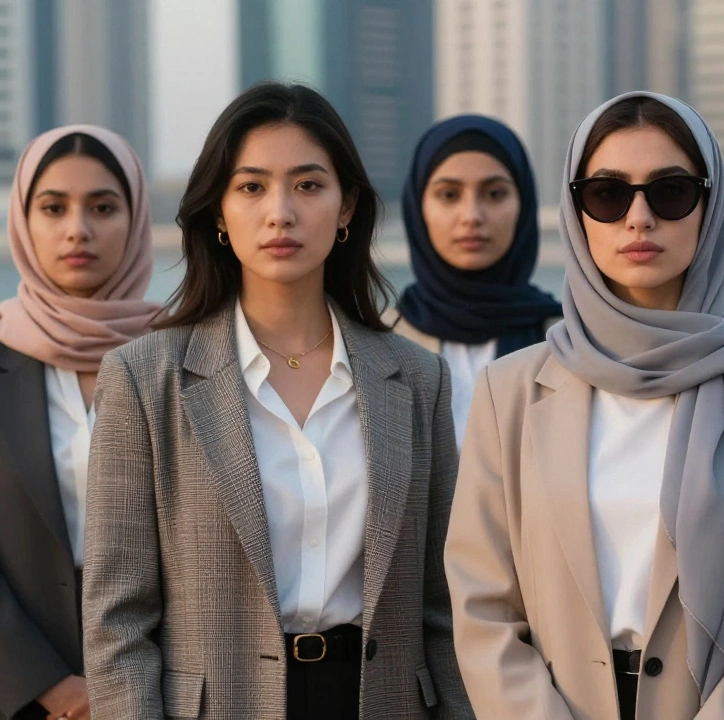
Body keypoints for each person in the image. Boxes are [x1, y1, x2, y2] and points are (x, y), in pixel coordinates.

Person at [444, 92, 724, 720]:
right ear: (575, 213)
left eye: (670, 191)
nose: (638, 218)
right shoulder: (510, 391)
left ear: (710, 207)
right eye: (607, 194)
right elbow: (482, 607)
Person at [82, 83, 472, 720]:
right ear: (217, 211)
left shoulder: (417, 378)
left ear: (346, 207)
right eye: (252, 187)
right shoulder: (143, 378)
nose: (280, 212)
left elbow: (444, 607)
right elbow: (117, 625)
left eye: (309, 185)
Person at [0, 125, 159, 720]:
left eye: (103, 206)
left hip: (162, 691)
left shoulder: (181, 359)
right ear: (24, 222)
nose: (79, 229)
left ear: (136, 220)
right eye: (54, 208)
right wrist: (53, 688)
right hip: (13, 697)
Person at [391, 115, 560, 447]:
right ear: (418, 206)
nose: (472, 216)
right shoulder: (375, 342)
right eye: (449, 195)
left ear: (523, 205)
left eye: (495, 194)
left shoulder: (565, 342)